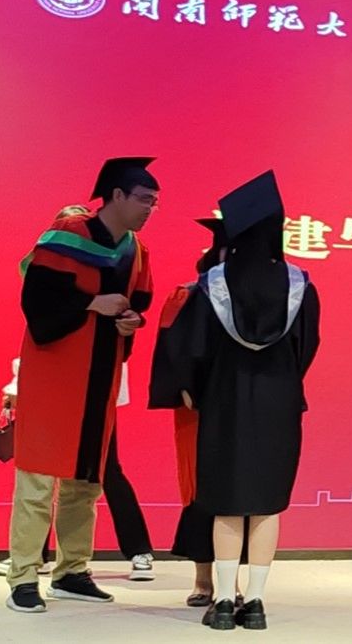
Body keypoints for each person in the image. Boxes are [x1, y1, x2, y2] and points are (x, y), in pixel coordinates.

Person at [165, 171, 321, 631]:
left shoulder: (212, 284)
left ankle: (223, 602)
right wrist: (282, 381)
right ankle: (255, 603)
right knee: (266, 505)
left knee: (227, 502)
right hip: (279, 403)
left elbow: (192, 349)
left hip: (225, 402)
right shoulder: (300, 285)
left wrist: (200, 388)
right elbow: (307, 346)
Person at [4, 158, 157, 615]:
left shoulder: (136, 250)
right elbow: (37, 301)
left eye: (154, 202)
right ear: (116, 196)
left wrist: (131, 320)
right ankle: (23, 576)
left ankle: (71, 570)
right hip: (55, 373)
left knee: (85, 480)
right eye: (144, 199)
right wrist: (92, 303)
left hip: (100, 376)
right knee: (37, 478)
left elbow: (138, 301)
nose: (150, 209)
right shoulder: (67, 235)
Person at [146, 216, 231, 608]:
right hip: (197, 407)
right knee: (200, 488)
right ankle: (203, 579)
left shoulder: (262, 299)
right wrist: (184, 386)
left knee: (239, 492)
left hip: (242, 406)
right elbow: (172, 348)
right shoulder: (190, 294)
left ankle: (230, 582)